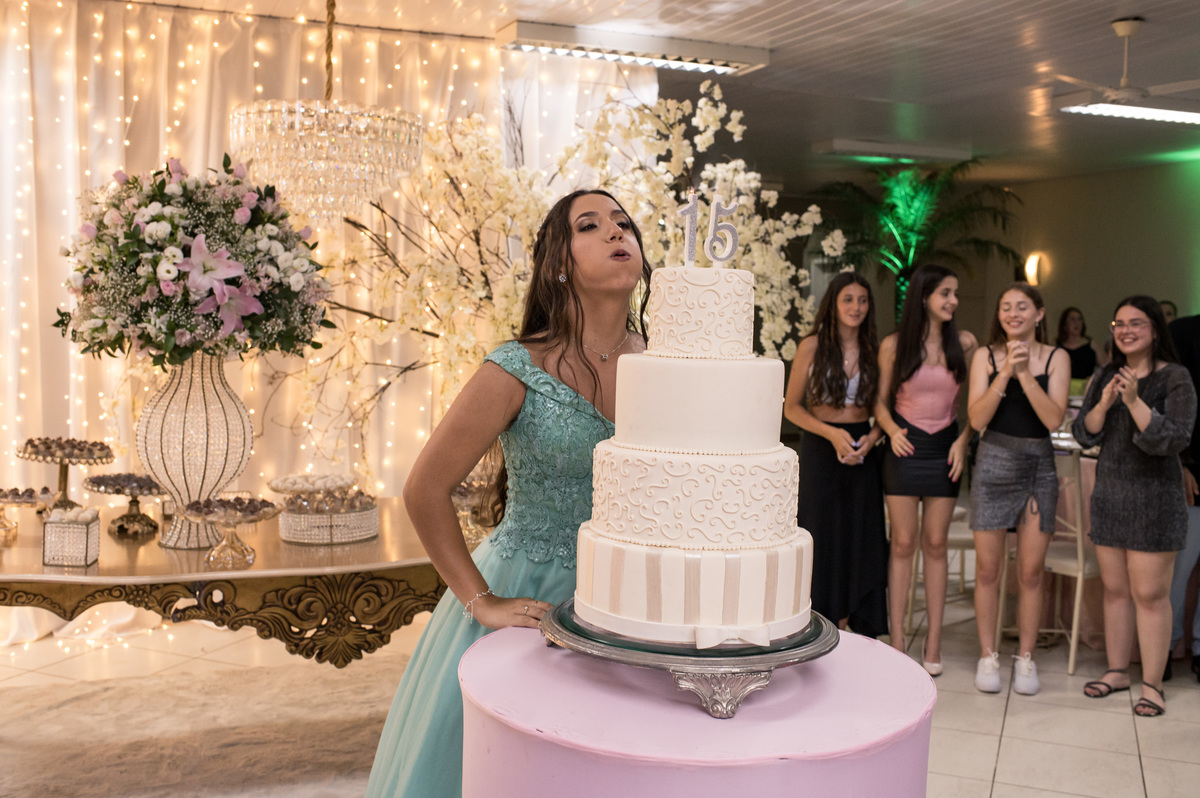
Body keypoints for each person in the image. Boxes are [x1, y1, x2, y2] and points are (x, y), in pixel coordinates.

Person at [365, 189, 651, 797]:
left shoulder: (669, 365)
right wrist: (481, 602)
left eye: (624, 223)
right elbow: (424, 489)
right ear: (558, 262)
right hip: (530, 594)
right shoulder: (516, 367)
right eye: (591, 225)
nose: (616, 233)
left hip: (631, 605)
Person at [1073, 296, 1196, 716]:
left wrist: (1133, 401)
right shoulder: (1107, 373)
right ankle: (1116, 670)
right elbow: (1084, 433)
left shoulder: (1175, 378)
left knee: (1149, 594)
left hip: (1155, 502)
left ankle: (1153, 684)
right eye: (1118, 323)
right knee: (1115, 590)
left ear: (1156, 330)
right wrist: (1106, 401)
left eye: (1136, 323)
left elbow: (1175, 438)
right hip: (1110, 497)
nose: (1125, 330)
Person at [967, 283, 1069, 695]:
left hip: (1037, 467)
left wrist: (1025, 372)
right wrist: (1006, 369)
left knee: (1030, 571)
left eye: (1022, 307)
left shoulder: (1057, 357)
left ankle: (1025, 658)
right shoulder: (985, 356)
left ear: (1039, 314)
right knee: (988, 569)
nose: (1013, 313)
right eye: (1006, 307)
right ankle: (987, 654)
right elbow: (976, 420)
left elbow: (1053, 420)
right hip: (992, 463)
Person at [875, 264, 977, 674]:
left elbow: (979, 402)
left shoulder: (966, 344)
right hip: (904, 448)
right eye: (945, 293)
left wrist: (964, 439)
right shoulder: (894, 344)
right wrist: (891, 431)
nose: (953, 301)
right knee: (902, 544)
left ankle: (934, 641)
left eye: (954, 293)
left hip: (945, 449)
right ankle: (898, 638)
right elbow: (878, 402)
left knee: (936, 545)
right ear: (924, 297)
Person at [784, 271, 887, 637]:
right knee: (822, 532)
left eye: (862, 300)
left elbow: (883, 408)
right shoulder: (811, 346)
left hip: (863, 449)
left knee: (861, 534)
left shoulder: (875, 350)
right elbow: (792, 408)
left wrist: (873, 437)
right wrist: (832, 435)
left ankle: (860, 626)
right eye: (848, 299)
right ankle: (821, 623)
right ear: (834, 303)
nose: (856, 307)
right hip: (820, 446)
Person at [1167, 312, 1200, 683]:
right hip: (1192, 471)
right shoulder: (1184, 332)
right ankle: (1168, 645)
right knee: (1178, 570)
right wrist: (1181, 463)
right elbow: (1171, 410)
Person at [1055, 306, 1102, 396]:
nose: (1077, 323)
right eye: (1072, 319)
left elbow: (1106, 367)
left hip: (1086, 391)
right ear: (1064, 325)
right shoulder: (1057, 346)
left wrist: (1094, 378)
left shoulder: (1091, 344)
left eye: (1079, 319)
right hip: (1063, 390)